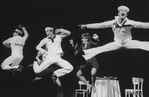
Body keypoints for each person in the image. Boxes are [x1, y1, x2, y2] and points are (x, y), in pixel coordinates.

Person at [79, 5, 149, 60]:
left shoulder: (130, 22)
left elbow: (142, 24)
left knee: (143, 44)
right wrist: (86, 26)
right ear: (118, 13)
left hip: (128, 43)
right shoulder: (112, 22)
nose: (123, 12)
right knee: (102, 48)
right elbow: (100, 25)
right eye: (121, 10)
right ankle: (85, 52)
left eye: (125, 11)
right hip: (117, 43)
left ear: (126, 14)